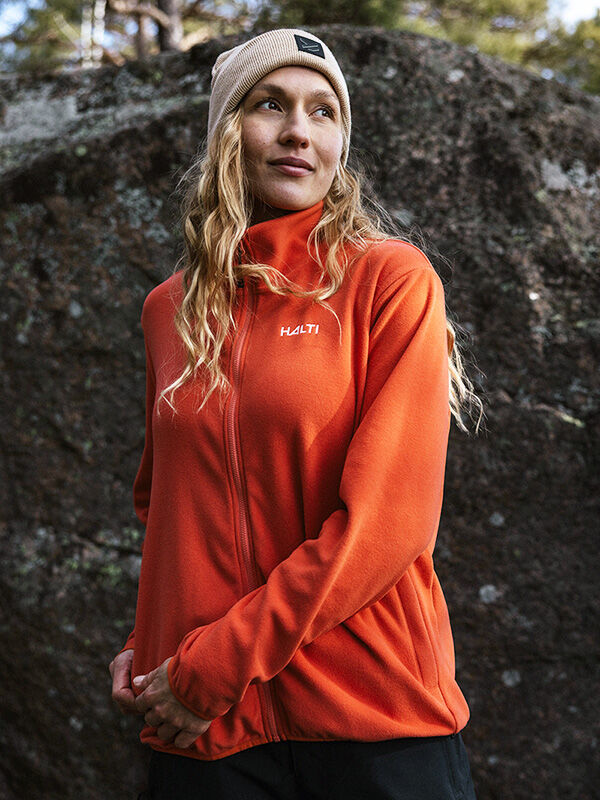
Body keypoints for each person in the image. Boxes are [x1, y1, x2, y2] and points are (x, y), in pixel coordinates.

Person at [109, 27, 484, 800]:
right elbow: (168, 504)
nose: (298, 133)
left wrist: (214, 664)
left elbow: (389, 525)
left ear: (341, 141)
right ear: (226, 130)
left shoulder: (389, 280)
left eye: (323, 111)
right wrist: (150, 644)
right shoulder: (169, 311)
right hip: (208, 733)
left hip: (374, 720)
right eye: (270, 105)